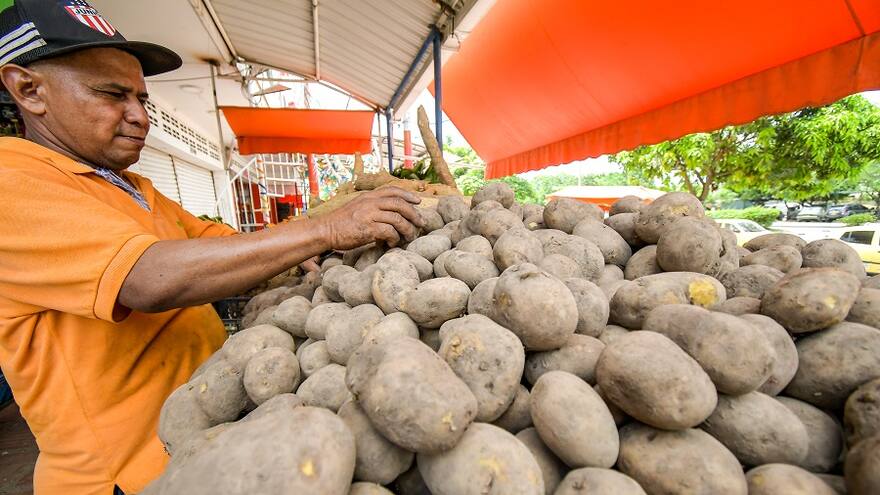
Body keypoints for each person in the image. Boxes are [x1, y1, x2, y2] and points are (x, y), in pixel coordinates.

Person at [0, 1, 423, 494]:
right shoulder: (12, 183)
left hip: (205, 437)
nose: (140, 116)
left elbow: (216, 244)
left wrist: (306, 252)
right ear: (28, 89)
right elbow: (146, 278)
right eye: (113, 94)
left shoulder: (126, 185)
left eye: (142, 98)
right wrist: (323, 231)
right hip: (126, 477)